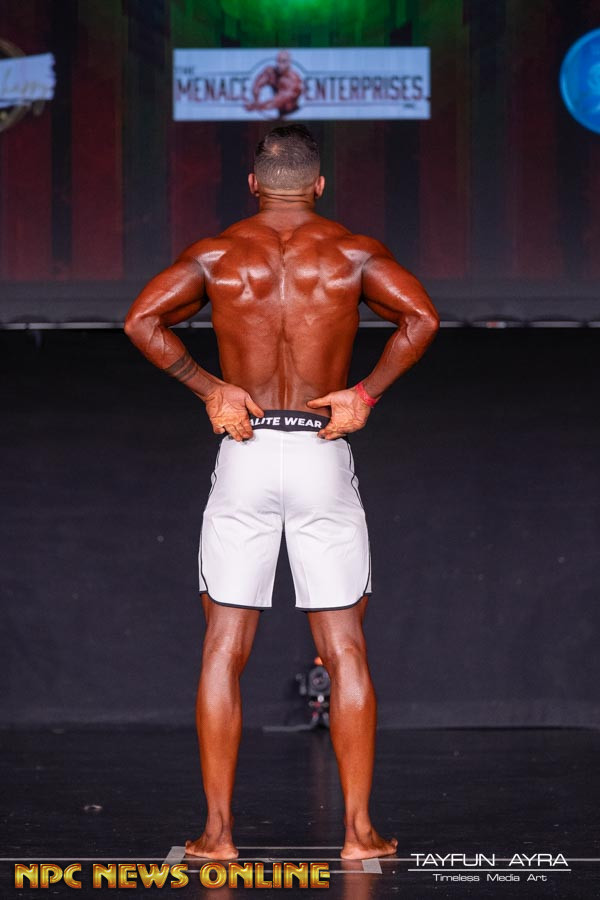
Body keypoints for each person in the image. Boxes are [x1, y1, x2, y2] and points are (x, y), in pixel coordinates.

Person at [124, 124, 439, 860]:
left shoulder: (216, 255)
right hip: (322, 451)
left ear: (253, 183)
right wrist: (363, 393)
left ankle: (217, 835)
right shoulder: (353, 253)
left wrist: (211, 387)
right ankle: (358, 834)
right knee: (345, 646)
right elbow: (421, 317)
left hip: (247, 451)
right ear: (319, 185)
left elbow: (141, 320)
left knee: (223, 647)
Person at [245, 50, 303, 116]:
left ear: (289, 62)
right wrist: (256, 99)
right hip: (279, 112)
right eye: (278, 61)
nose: (280, 64)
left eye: (283, 61)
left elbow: (278, 101)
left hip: (293, 114)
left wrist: (256, 106)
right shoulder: (271, 72)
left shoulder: (294, 80)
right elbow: (257, 86)